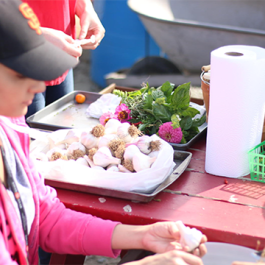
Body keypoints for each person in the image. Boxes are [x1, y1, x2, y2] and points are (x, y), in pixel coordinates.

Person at [0, 1, 208, 265]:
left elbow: (45, 217)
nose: (40, 85)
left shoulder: (10, 129)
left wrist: (143, 236)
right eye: (21, 74)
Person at [23, 0, 105, 118]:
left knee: (62, 127)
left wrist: (84, 6)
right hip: (18, 62)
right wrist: (34, 36)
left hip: (62, 56)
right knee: (26, 132)